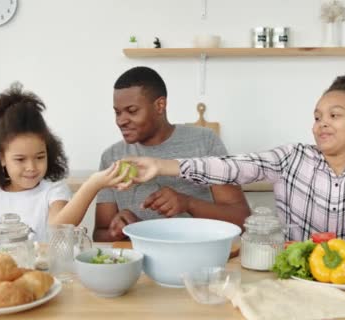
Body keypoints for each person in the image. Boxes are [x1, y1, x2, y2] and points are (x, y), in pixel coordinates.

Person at [124, 69, 345, 241]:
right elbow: (233, 167)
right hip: (298, 277)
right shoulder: (291, 158)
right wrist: (162, 165)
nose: (322, 123)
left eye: (334, 115)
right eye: (318, 116)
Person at [0, 83, 130, 241]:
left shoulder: (53, 192)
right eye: (20, 159)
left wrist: (93, 184)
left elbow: (58, 229)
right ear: (1, 158)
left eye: (40, 157)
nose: (32, 167)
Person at [93, 66, 251, 242]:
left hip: (198, 260)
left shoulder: (205, 142)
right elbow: (100, 235)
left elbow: (242, 220)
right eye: (117, 112)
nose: (121, 120)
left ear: (160, 105)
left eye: (132, 111)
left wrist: (188, 203)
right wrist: (122, 229)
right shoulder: (112, 156)